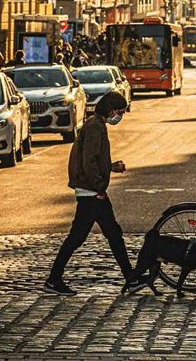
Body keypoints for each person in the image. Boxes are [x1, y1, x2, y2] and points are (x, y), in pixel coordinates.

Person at [45, 91, 136, 295]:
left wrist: (111, 167)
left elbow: (95, 160)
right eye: (119, 112)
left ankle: (131, 277)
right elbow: (89, 161)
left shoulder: (97, 124)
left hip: (90, 190)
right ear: (110, 109)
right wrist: (99, 188)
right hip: (91, 192)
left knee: (111, 234)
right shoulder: (95, 127)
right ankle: (53, 279)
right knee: (86, 237)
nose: (120, 116)